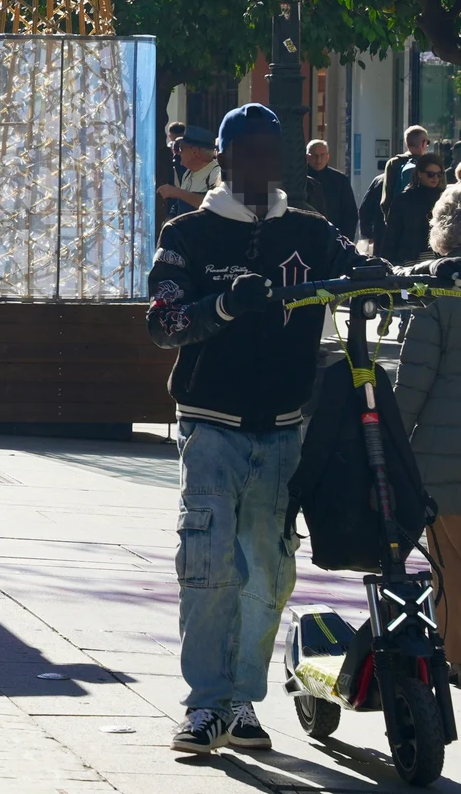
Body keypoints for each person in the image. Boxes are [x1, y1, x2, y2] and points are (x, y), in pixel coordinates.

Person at [146, 102, 380, 755]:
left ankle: (243, 699)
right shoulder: (188, 234)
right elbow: (162, 321)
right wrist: (220, 304)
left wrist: (373, 274)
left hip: (283, 430)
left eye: (266, 150)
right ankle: (205, 704)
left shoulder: (311, 230)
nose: (256, 161)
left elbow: (354, 265)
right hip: (211, 428)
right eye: (243, 150)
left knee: (270, 573)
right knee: (210, 560)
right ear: (222, 158)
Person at [391, 184, 461, 645]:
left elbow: (413, 384)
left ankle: (454, 655)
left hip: (444, 464)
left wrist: (389, 442)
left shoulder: (438, 296)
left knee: (450, 571)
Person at [382, 153, 447, 265]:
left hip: (439, 258)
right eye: (430, 174)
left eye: (439, 174)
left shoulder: (445, 198)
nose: (435, 178)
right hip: (410, 259)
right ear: (419, 174)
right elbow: (392, 234)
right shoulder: (404, 200)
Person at [156, 127, 220, 218]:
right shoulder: (188, 173)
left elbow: (214, 205)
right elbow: (179, 204)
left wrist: (177, 192)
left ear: (195, 152)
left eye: (181, 149)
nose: (178, 153)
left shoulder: (216, 174)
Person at [304, 139, 359, 240]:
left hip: (334, 238)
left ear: (328, 157)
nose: (318, 160)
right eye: (314, 155)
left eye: (322, 155)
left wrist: (345, 240)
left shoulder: (340, 180)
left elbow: (350, 213)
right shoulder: (300, 179)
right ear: (307, 157)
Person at [382, 125, 432, 224]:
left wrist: (390, 221)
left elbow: (386, 198)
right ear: (423, 143)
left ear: (406, 143)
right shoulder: (430, 164)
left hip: (397, 221)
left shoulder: (393, 163)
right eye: (427, 142)